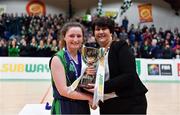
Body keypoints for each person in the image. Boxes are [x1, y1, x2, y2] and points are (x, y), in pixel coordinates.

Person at [92, 16, 148, 114]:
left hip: (129, 103)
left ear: (111, 32)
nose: (100, 32)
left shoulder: (120, 46)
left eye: (104, 29)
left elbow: (129, 75)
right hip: (107, 105)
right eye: (97, 29)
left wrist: (100, 88)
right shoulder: (97, 54)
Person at [49, 22, 94, 114]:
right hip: (64, 107)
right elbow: (64, 91)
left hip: (82, 106)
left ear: (83, 38)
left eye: (79, 36)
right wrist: (89, 98)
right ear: (64, 37)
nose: (75, 39)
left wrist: (94, 95)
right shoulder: (58, 59)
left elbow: (85, 85)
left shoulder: (85, 57)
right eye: (71, 36)